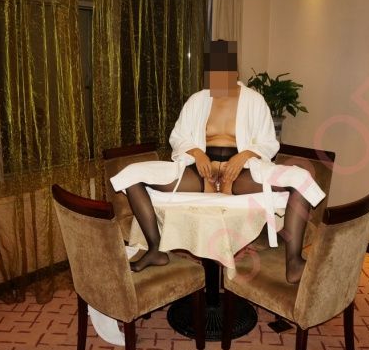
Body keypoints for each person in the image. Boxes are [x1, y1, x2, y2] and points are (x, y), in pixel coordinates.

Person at [111, 40, 325, 283]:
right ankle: (155, 249)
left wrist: (244, 156)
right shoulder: (197, 101)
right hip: (200, 174)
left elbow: (268, 143)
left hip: (241, 175)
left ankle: (294, 261)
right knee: (131, 175)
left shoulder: (254, 101)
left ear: (235, 71)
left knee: (300, 178)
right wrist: (197, 153)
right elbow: (177, 137)